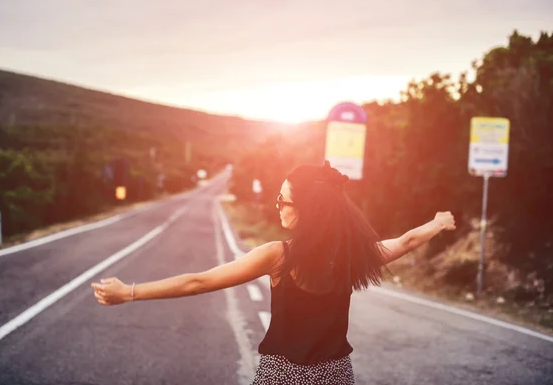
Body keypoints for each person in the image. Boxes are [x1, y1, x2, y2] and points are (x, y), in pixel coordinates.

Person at [92, 161, 456, 384]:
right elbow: (406, 241)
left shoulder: (278, 256)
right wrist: (438, 223)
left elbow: (198, 281)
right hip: (336, 378)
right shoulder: (353, 255)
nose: (277, 205)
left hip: (282, 378)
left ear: (308, 210)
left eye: (284, 199)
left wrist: (131, 292)